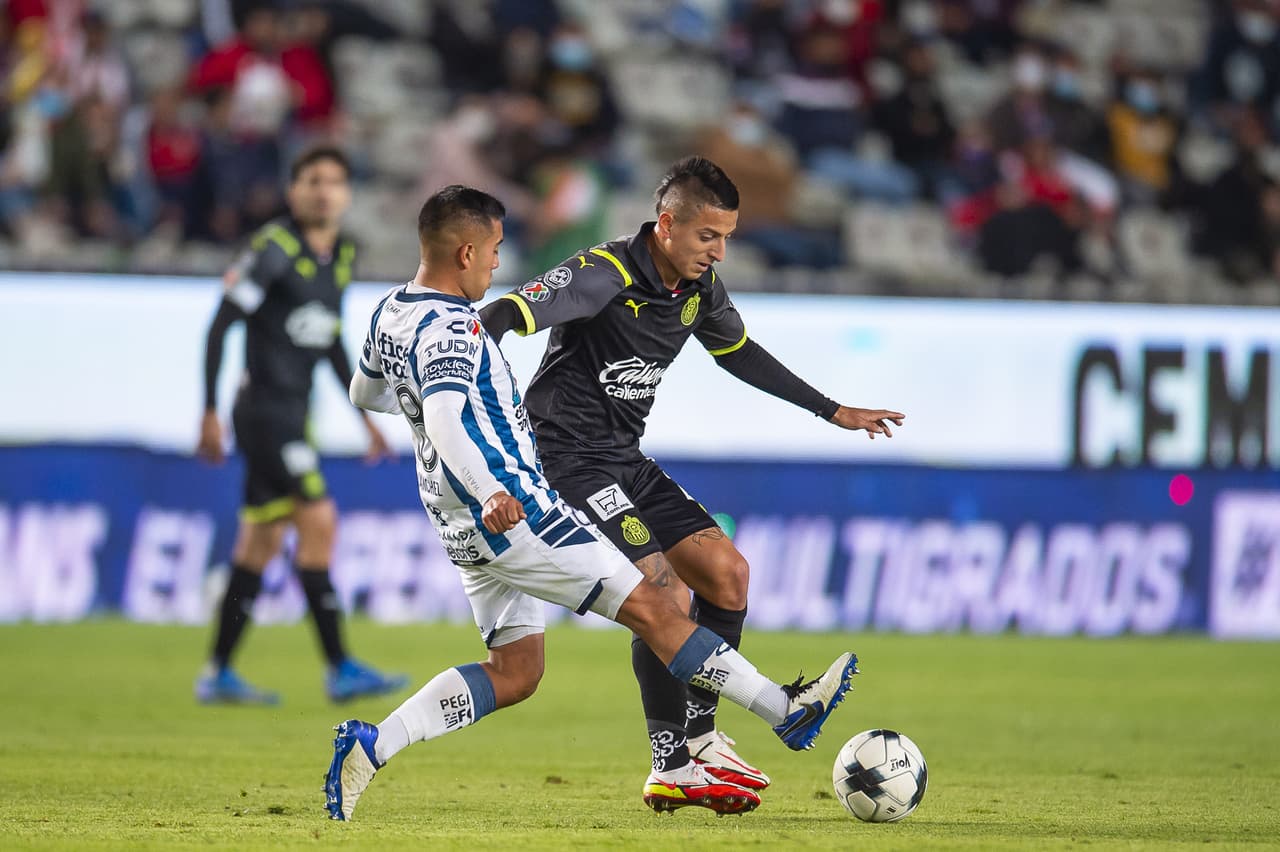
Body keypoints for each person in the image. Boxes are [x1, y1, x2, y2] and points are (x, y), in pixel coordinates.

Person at [326, 184, 860, 821]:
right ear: (466, 251)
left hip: (460, 521)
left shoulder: (393, 310)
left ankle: (372, 745)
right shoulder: (454, 327)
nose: (499, 264)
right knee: (660, 605)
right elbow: (443, 416)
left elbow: (367, 393)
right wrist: (491, 484)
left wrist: (427, 409)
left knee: (516, 672)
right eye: (495, 250)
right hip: (516, 507)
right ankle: (783, 711)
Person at [478, 157, 903, 812]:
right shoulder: (603, 273)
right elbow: (508, 311)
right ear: (667, 223)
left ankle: (699, 737)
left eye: (727, 236)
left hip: (623, 457)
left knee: (727, 574)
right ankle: (671, 759)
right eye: (708, 235)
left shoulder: (699, 290)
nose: (719, 250)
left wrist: (832, 410)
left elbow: (740, 354)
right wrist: (475, 365)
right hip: (566, 462)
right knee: (661, 595)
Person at [196, 145, 405, 705]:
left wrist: (367, 416)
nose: (323, 190)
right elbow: (221, 326)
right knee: (319, 520)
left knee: (259, 543)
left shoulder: (340, 256)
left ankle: (217, 672)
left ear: (347, 194)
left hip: (296, 414)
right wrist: (210, 412)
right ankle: (340, 668)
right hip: (264, 413)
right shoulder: (273, 251)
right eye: (313, 180)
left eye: (334, 181)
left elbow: (329, 337)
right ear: (294, 190)